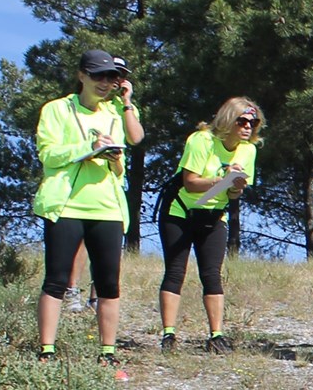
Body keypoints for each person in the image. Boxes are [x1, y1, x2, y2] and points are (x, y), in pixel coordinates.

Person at [33, 48, 143, 361]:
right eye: (98, 76)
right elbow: (48, 155)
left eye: (111, 76)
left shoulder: (113, 114)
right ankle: (47, 351)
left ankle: (108, 352)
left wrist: (114, 158)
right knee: (56, 279)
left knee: (109, 282)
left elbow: (126, 153)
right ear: (81, 75)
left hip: (107, 208)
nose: (105, 82)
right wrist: (88, 148)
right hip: (65, 206)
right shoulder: (56, 109)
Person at [158, 97, 262, 354]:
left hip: (214, 215)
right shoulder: (201, 140)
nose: (248, 126)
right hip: (180, 211)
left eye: (253, 122)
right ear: (229, 119)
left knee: (212, 274)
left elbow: (233, 195)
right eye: (242, 121)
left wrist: (235, 187)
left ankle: (216, 335)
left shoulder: (248, 151)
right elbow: (190, 182)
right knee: (175, 271)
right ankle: (169, 335)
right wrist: (222, 178)